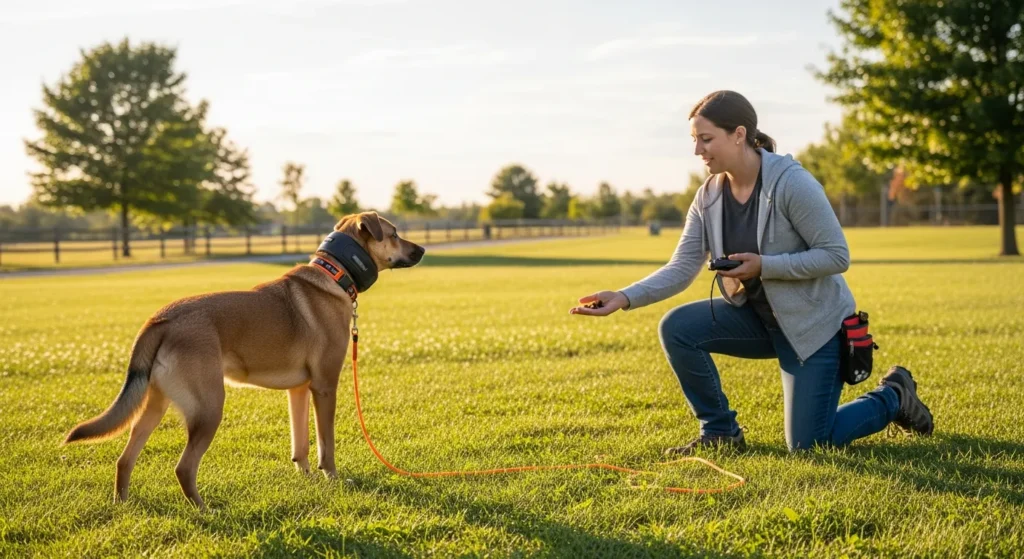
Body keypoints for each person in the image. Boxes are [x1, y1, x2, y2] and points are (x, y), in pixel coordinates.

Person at [569, 91, 933, 455]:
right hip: (757, 320)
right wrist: (624, 296)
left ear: (739, 134)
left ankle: (894, 396)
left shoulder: (792, 183)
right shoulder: (708, 196)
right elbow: (682, 266)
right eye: (694, 140)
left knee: (808, 445)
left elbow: (836, 255)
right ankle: (720, 431)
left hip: (813, 329)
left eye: (706, 139)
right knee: (677, 327)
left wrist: (766, 265)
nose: (698, 151)